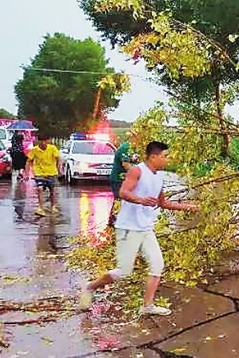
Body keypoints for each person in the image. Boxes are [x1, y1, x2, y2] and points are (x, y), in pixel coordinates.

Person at [79, 141, 199, 316]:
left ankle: (147, 307)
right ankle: (90, 287)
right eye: (165, 156)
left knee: (158, 265)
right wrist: (141, 200)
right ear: (153, 156)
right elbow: (123, 192)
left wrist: (190, 207)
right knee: (124, 272)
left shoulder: (159, 176)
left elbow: (162, 203)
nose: (168, 159)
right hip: (128, 228)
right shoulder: (137, 171)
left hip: (146, 229)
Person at [24, 133, 62, 217]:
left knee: (52, 190)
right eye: (41, 141)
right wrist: (26, 173)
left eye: (45, 141)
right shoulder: (35, 150)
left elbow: (58, 158)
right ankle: (40, 208)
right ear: (38, 141)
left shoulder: (52, 148)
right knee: (39, 189)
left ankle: (53, 206)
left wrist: (59, 168)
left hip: (51, 172)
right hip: (39, 173)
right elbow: (28, 161)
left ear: (48, 141)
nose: (43, 143)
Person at [109, 139, 139, 226]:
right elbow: (126, 164)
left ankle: (126, 220)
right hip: (117, 179)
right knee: (119, 199)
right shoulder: (126, 148)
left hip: (126, 179)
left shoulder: (136, 148)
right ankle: (113, 221)